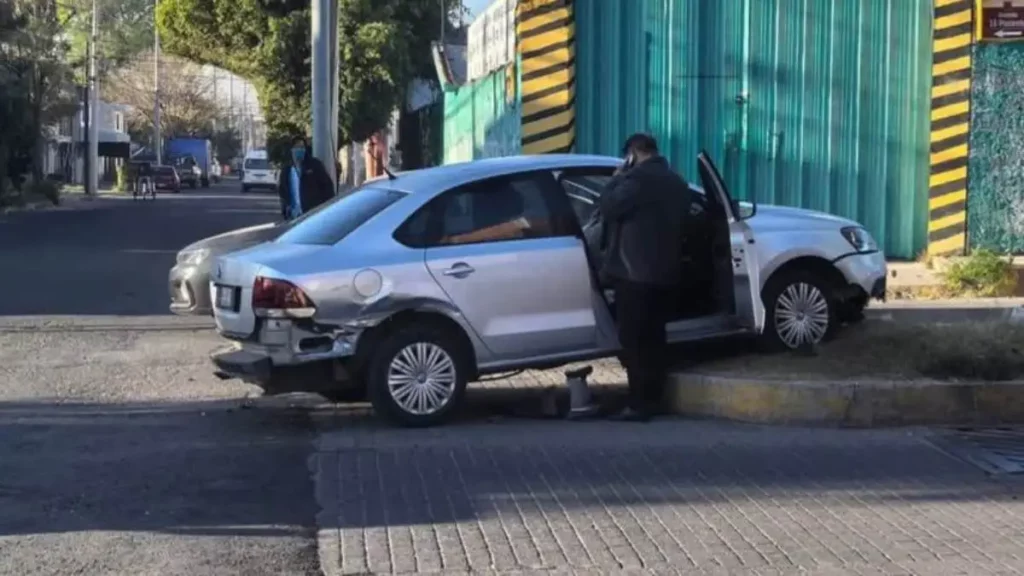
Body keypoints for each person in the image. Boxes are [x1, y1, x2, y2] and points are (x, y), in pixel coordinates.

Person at [599, 133, 690, 422]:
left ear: (633, 153)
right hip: (666, 272)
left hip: (634, 273)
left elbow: (608, 208)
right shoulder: (677, 181)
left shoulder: (636, 181)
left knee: (635, 341)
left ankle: (639, 404)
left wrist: (615, 178)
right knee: (655, 339)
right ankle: (655, 399)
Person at [277, 136, 335, 220]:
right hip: (294, 216)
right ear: (291, 150)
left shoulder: (314, 165)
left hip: (312, 215)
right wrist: (286, 210)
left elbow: (327, 188)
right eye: (296, 147)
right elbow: (282, 192)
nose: (299, 150)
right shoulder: (287, 170)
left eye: (302, 147)